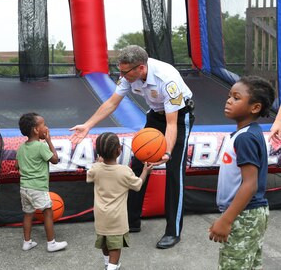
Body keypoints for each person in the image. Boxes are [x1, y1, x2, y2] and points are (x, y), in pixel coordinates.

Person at [70, 45, 194, 249]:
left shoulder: (167, 79)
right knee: (137, 165)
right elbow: (111, 103)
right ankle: (133, 220)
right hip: (155, 115)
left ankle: (173, 231)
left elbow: (172, 124)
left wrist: (168, 152)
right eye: (120, 70)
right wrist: (87, 125)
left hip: (179, 118)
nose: (121, 75)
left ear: (141, 69)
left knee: (174, 172)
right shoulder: (129, 74)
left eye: (125, 72)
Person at [208, 76, 275, 269]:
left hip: (245, 215)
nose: (228, 100)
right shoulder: (246, 134)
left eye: (236, 98)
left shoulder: (245, 138)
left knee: (233, 265)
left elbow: (250, 184)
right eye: (229, 96)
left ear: (255, 107)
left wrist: (226, 220)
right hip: (249, 213)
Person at [87, 132, 151, 270]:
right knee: (115, 244)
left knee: (104, 240)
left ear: (99, 152)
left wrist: (98, 163)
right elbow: (138, 185)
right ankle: (112, 266)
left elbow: (89, 176)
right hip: (117, 217)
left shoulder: (95, 169)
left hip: (100, 215)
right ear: (119, 150)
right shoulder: (124, 171)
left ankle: (107, 263)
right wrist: (145, 171)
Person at [15, 112, 68, 252]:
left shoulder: (21, 148)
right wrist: (49, 141)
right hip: (38, 187)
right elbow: (55, 159)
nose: (47, 127)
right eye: (44, 124)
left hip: (24, 188)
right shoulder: (41, 146)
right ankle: (51, 243)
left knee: (28, 214)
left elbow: (16, 166)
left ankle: (27, 242)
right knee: (48, 212)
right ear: (36, 130)